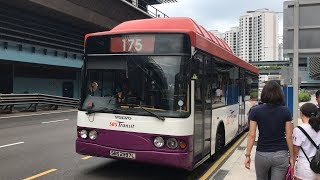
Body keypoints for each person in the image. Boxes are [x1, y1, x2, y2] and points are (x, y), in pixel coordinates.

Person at [244, 80, 294, 180]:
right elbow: (289, 136)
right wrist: (292, 157)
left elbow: (252, 135)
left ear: (264, 93)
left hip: (262, 154)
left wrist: (247, 155)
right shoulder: (286, 111)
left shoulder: (255, 110)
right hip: (281, 154)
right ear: (280, 94)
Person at [292, 103, 320, 180]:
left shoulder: (299, 130)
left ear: (301, 113)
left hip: (305, 168)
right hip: (318, 167)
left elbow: (295, 152)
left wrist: (292, 165)